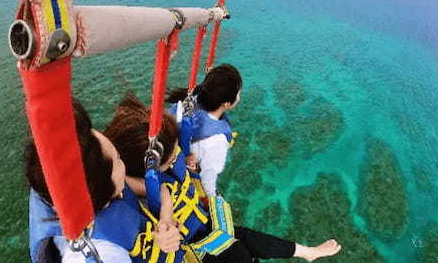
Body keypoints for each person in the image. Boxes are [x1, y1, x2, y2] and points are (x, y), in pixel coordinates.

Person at [105, 92, 342, 263]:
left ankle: (306, 252)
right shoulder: (140, 187)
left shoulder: (158, 170)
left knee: (246, 237)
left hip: (205, 223)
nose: (179, 153)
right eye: (173, 153)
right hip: (194, 247)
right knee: (239, 252)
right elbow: (158, 197)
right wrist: (165, 223)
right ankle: (304, 253)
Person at [25, 98, 182, 263]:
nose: (123, 164)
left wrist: (165, 219)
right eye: (118, 159)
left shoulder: (91, 186)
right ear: (105, 188)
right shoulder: (101, 253)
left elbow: (158, 190)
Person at [167, 64, 242, 197]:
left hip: (172, 154)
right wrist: (213, 197)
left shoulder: (192, 98)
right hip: (183, 171)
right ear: (226, 104)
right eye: (238, 93)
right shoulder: (217, 140)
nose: (239, 96)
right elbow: (208, 177)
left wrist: (213, 76)